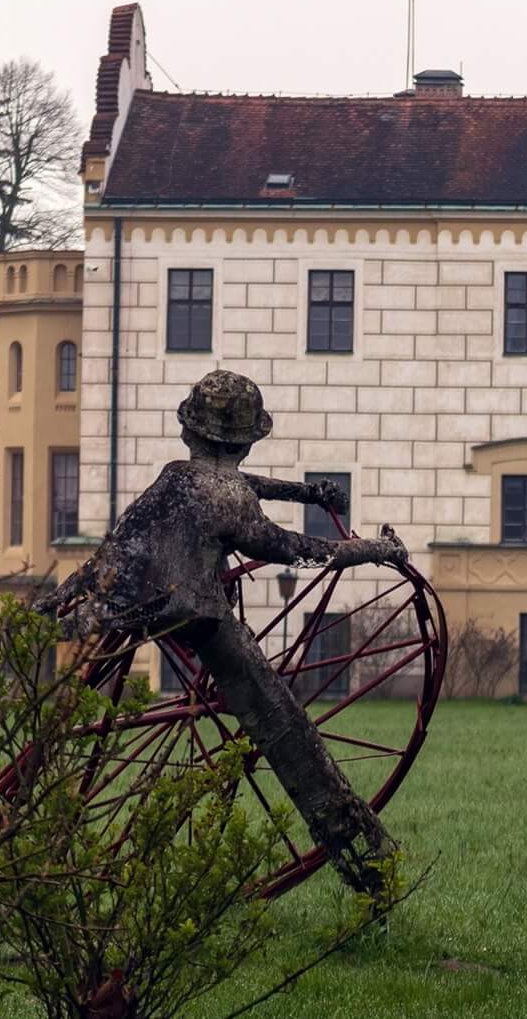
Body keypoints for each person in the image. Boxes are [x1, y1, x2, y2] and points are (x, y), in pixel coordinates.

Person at [48, 369, 408, 898]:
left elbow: (240, 489)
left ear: (189, 434)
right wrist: (379, 551)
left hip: (124, 605)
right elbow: (302, 550)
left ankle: (36, 798)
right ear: (248, 441)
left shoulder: (175, 476)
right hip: (198, 619)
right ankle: (370, 864)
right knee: (289, 732)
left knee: (68, 721)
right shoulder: (231, 499)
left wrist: (306, 492)